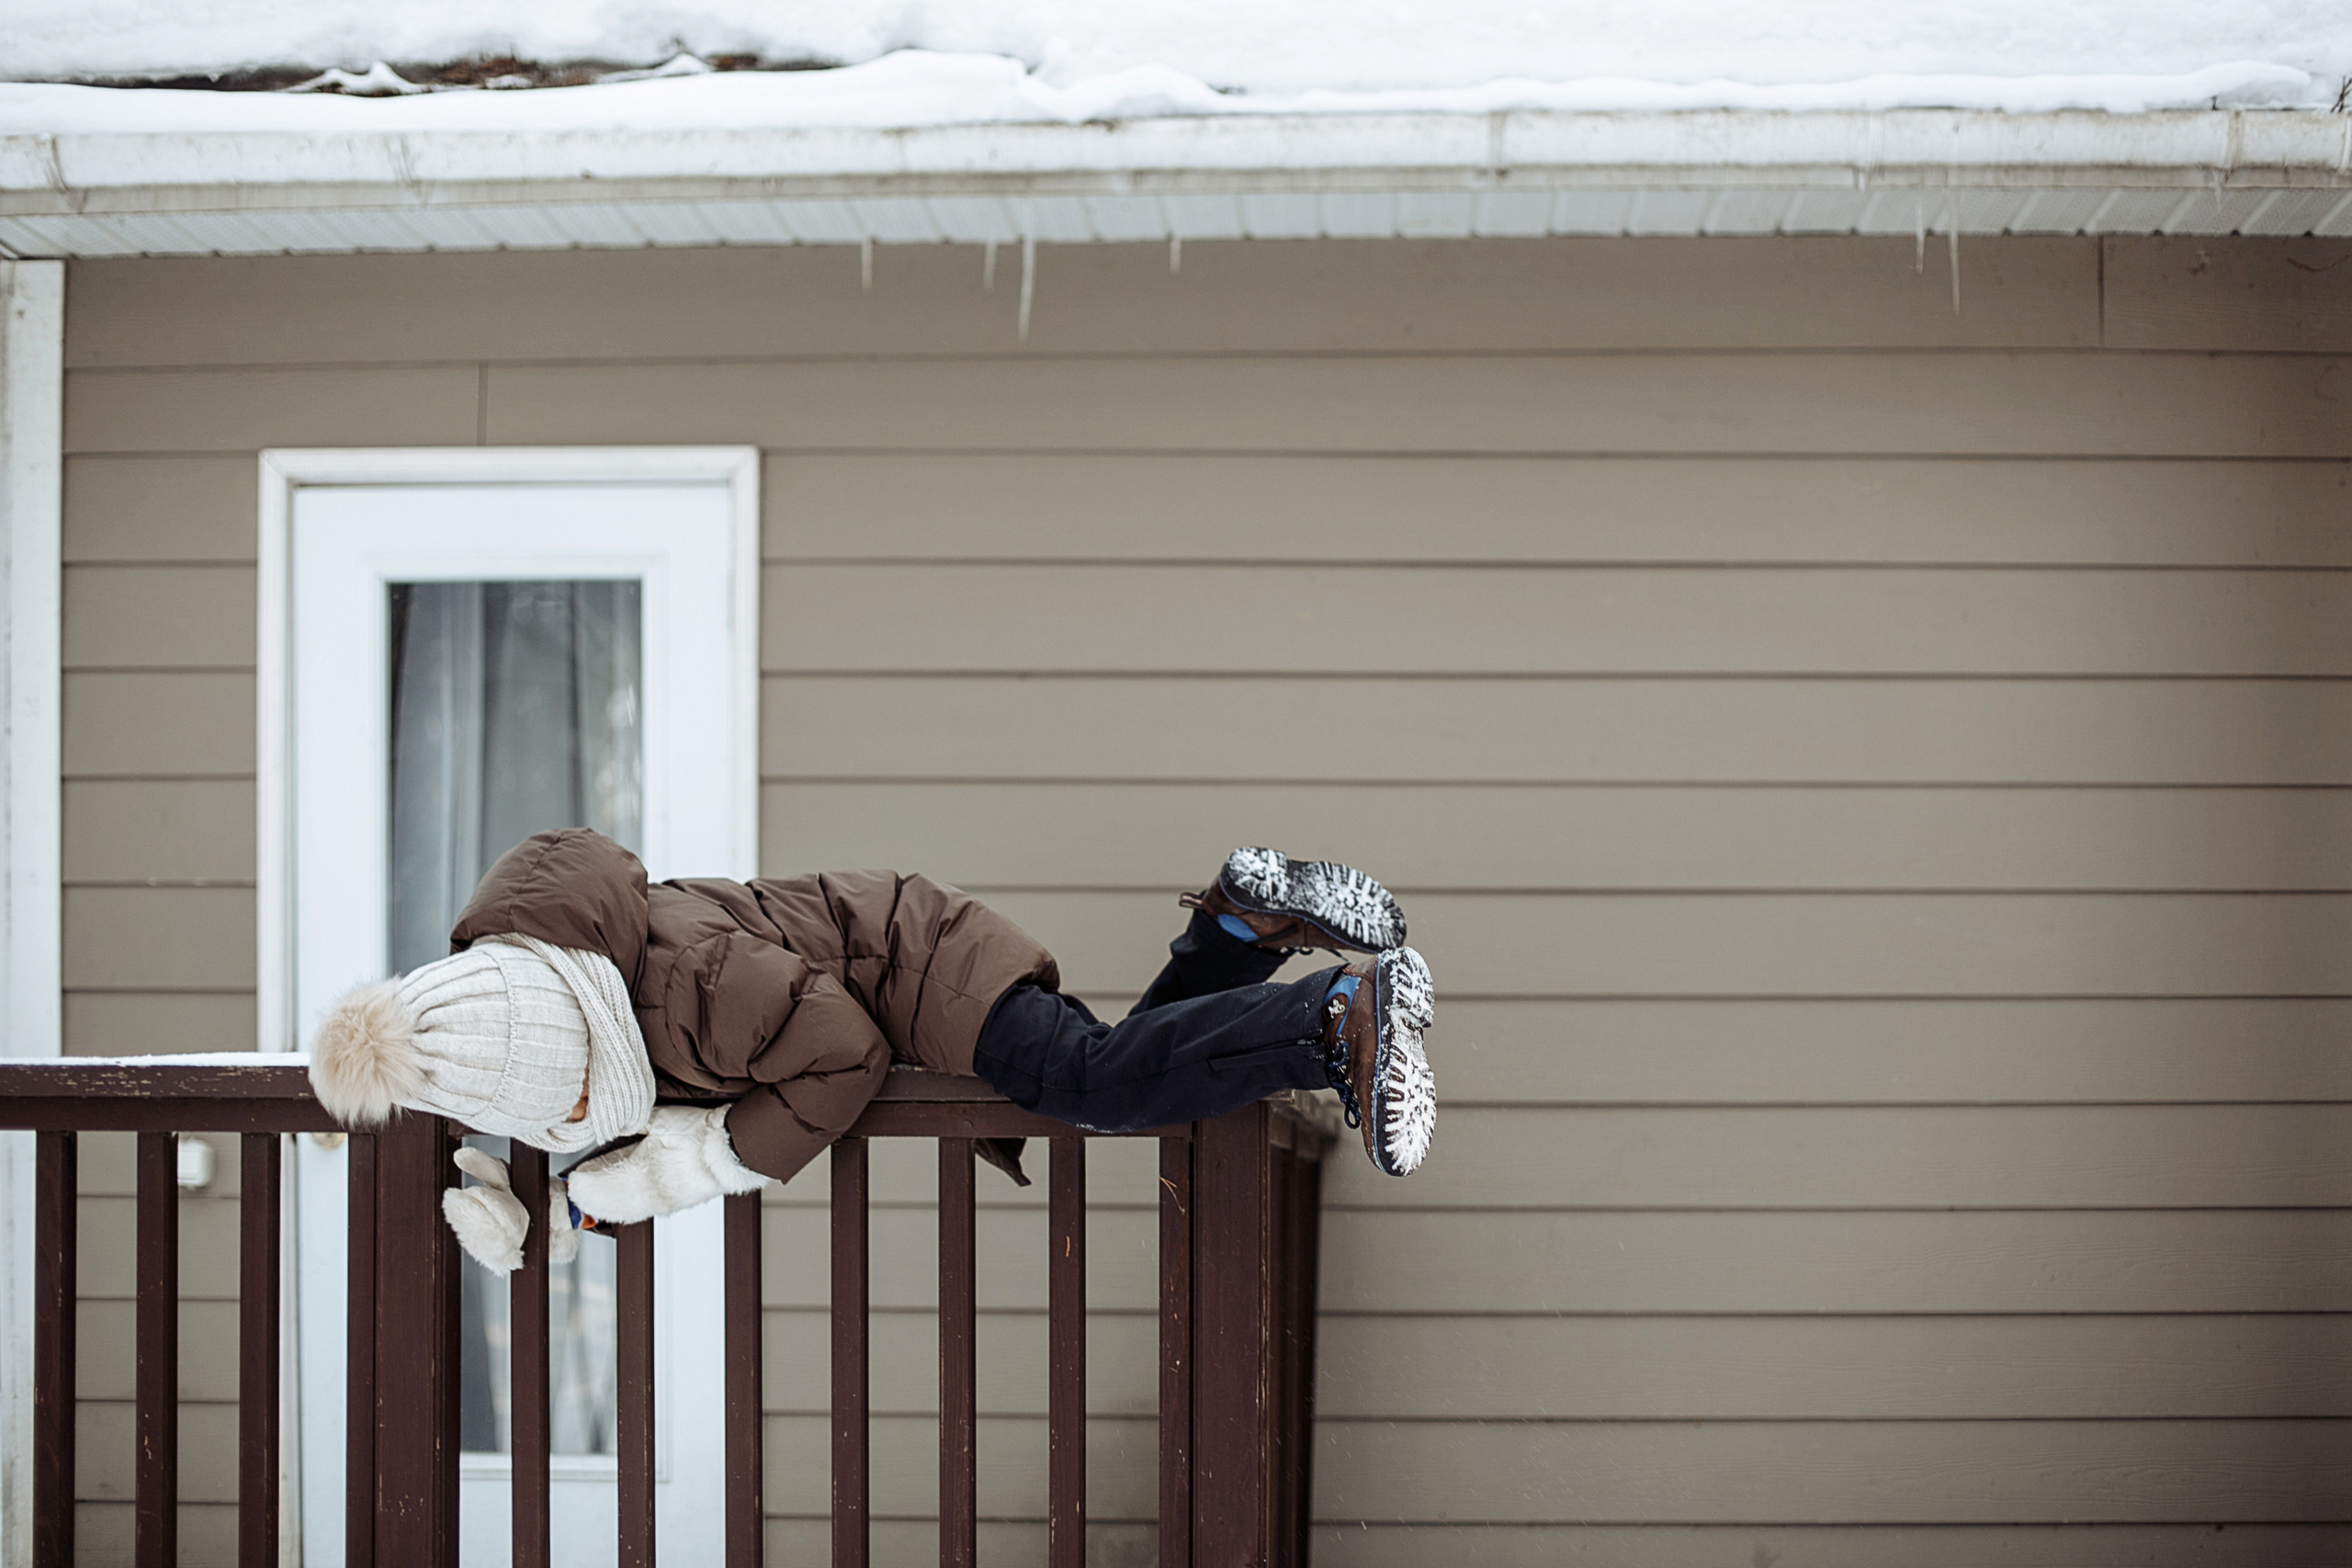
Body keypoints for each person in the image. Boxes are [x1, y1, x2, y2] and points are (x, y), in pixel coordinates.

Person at [307, 829, 1436, 1273]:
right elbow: (538, 1082)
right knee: (1118, 1061)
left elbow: (839, 1052)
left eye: (580, 1098)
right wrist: (541, 1205)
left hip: (907, 968)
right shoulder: (573, 991)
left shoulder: (686, 987)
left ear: (586, 1030)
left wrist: (704, 1160)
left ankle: (1332, 1022)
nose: (586, 1114)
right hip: (898, 953)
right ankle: (1241, 927)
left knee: (1084, 1084)